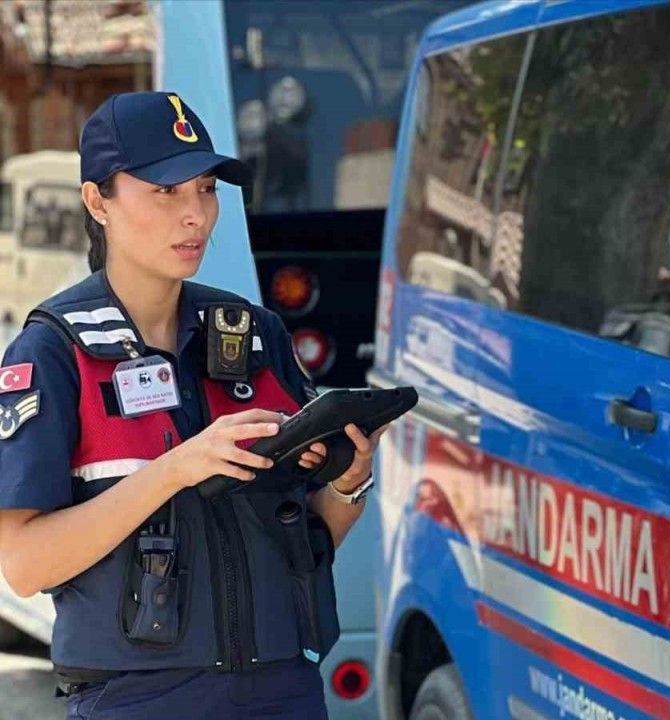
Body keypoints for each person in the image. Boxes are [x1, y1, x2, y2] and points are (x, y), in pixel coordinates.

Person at [0, 92, 384, 719]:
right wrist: (177, 468)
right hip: (137, 699)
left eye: (206, 189)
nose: (196, 215)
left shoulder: (255, 336)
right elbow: (23, 565)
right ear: (97, 202)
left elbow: (307, 543)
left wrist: (348, 482)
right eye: (165, 192)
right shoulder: (53, 352)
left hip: (283, 691)